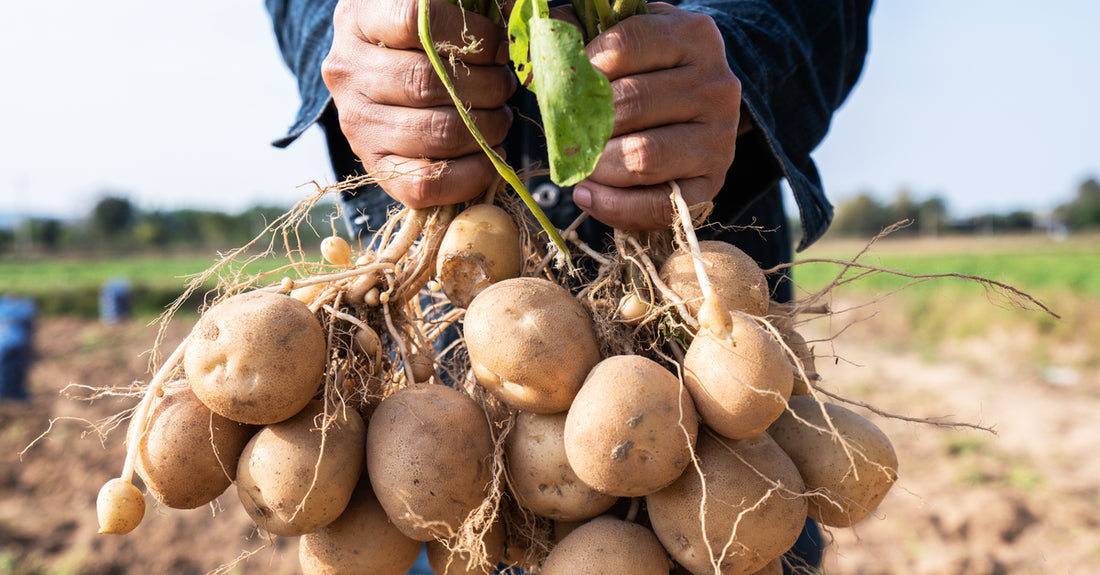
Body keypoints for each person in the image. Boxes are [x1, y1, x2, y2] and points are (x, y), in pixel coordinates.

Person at [265, 0, 872, 571]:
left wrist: (741, 61)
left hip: (693, 363)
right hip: (428, 423)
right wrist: (365, 33)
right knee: (443, 521)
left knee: (739, 530)